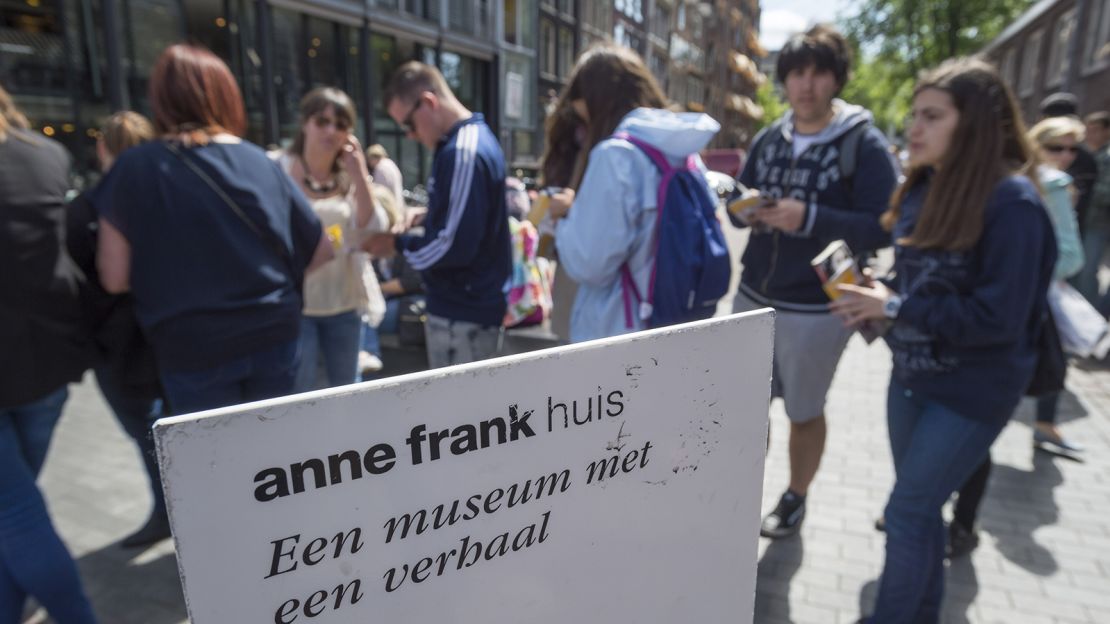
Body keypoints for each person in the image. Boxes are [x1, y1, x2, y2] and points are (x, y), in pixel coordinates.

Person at [831, 58, 1056, 623]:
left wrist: (898, 305)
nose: (913, 127)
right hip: (909, 378)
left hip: (972, 393)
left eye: (931, 116)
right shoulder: (922, 187)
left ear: (975, 123)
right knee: (923, 510)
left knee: (906, 511)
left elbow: (998, 319)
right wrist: (874, 305)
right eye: (914, 114)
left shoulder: (1014, 204)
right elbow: (918, 289)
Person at [94, 44, 332, 414]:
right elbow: (321, 250)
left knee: (213, 463)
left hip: (192, 345)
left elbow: (114, 276)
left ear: (160, 98)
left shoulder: (133, 168)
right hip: (274, 333)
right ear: (226, 95)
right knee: (276, 459)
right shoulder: (260, 161)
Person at [728, 24, 899, 538]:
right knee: (741, 407)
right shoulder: (769, 138)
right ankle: (734, 491)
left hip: (814, 309)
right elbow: (741, 203)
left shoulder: (863, 144)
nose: (805, 85)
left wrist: (810, 216)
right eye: (796, 73)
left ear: (836, 79)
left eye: (818, 73)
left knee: (804, 411)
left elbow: (882, 225)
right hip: (753, 295)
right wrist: (744, 212)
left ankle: (795, 498)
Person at [543, 44, 721, 341]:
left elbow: (590, 264)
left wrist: (564, 218)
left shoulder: (615, 156)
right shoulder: (682, 151)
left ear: (596, 101)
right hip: (672, 318)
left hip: (618, 330)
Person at [0, 83, 98, 623]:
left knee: (15, 514)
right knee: (16, 511)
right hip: (46, 366)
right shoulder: (47, 156)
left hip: (33, 365)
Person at [66, 111, 173, 548]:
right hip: (168, 334)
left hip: (119, 343)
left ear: (102, 148)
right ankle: (176, 510)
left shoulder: (89, 207)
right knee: (169, 428)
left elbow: (86, 281)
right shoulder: (168, 201)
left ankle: (169, 512)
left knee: (147, 432)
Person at [363, 61, 511, 368]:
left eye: (409, 125)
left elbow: (453, 245)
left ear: (428, 103)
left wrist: (396, 245)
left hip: (463, 311)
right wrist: (428, 215)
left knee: (463, 412)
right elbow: (467, 221)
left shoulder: (462, 152)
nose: (410, 136)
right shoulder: (465, 145)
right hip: (466, 307)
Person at [274, 87, 387, 393]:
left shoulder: (348, 175)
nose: (330, 131)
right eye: (321, 121)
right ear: (305, 123)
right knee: (301, 391)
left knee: (347, 390)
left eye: (340, 124)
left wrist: (359, 170)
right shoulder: (279, 167)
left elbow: (372, 224)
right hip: (298, 304)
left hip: (345, 301)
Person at [1077, 111, 1110, 310]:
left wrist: (1083, 188)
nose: (1090, 134)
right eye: (1088, 130)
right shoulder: (1086, 154)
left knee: (1088, 270)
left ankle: (1090, 314)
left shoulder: (1106, 157)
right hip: (1087, 220)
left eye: (1096, 130)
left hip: (1099, 222)